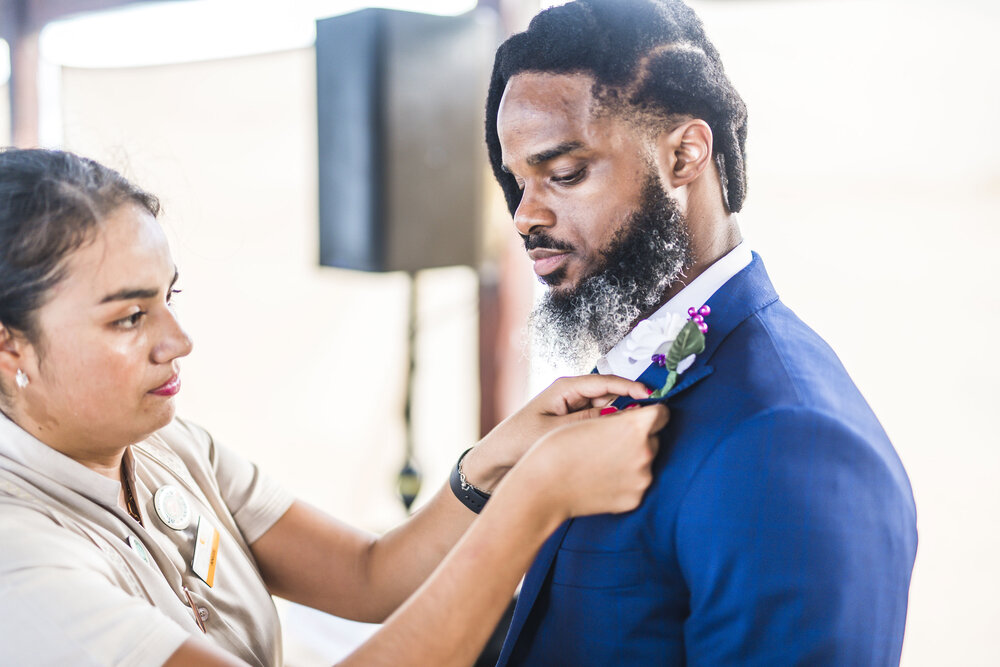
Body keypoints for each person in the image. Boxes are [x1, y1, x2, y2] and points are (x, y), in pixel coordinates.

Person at [0, 147, 669, 666]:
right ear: (11, 350)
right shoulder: (17, 562)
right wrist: (537, 498)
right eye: (129, 318)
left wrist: (496, 461)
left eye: (169, 298)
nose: (178, 340)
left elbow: (369, 574)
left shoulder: (164, 447)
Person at [485, 0, 918, 664]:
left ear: (685, 153)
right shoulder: (620, 379)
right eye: (518, 183)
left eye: (564, 173)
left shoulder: (790, 438)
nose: (524, 216)